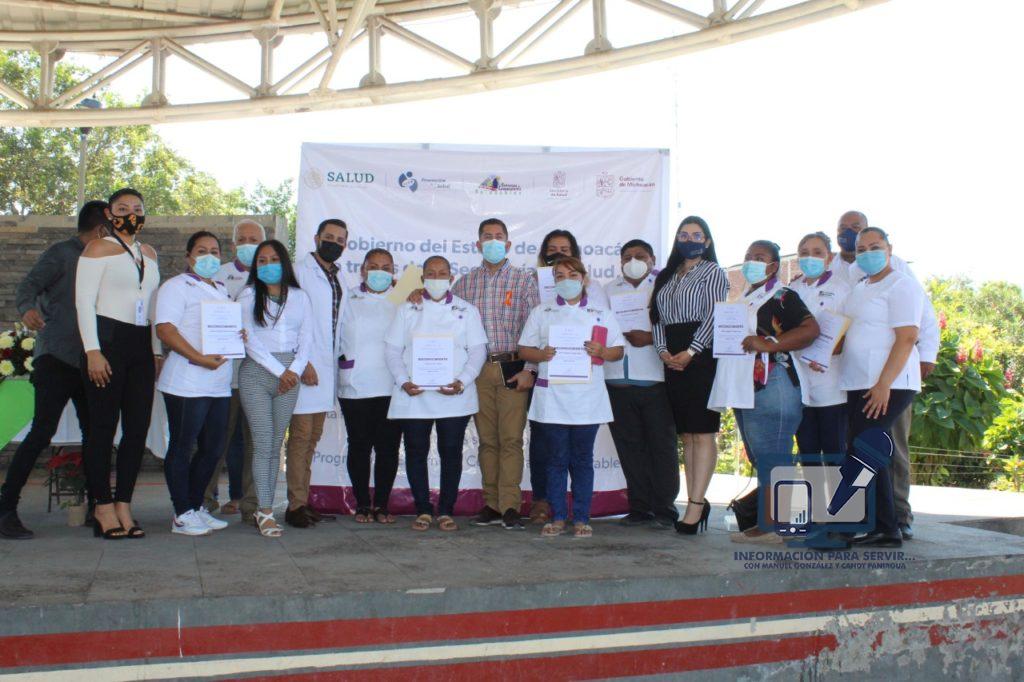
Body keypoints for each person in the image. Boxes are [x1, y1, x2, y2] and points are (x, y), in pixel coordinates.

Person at [0, 201, 108, 540]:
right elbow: (28, 286)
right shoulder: (61, 254)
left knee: (96, 435)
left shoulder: (108, 260)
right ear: (101, 229)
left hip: (91, 361)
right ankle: (6, 508)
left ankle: (98, 507)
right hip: (57, 359)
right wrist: (27, 309)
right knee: (42, 432)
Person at [832, 210, 938, 540]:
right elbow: (846, 329)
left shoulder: (902, 284)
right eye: (861, 250)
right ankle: (884, 527)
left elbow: (907, 337)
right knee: (864, 448)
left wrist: (883, 384)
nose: (867, 253)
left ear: (889, 249)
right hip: (858, 381)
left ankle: (858, 524)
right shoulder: (861, 286)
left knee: (863, 449)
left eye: (874, 247)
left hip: (889, 383)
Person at [708, 240, 819, 543]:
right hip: (745, 386)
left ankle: (777, 526)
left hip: (774, 383)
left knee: (774, 456)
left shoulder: (782, 295)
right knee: (764, 458)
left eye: (759, 257)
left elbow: (810, 330)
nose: (751, 262)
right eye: (748, 256)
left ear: (773, 266)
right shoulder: (744, 298)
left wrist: (770, 343)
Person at [75, 188, 161, 540]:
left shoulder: (149, 253)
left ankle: (124, 503)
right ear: (110, 215)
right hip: (107, 342)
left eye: (137, 208)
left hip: (140, 345)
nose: (131, 214)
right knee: (103, 427)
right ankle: (102, 505)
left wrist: (155, 351)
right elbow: (83, 303)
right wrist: (92, 351)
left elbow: (152, 306)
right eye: (122, 208)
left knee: (137, 428)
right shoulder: (97, 248)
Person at [519, 256, 625, 538]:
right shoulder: (542, 312)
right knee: (556, 460)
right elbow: (524, 350)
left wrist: (602, 352)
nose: (566, 281)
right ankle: (557, 517)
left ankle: (581, 518)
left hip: (587, 399)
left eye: (572, 275)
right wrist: (541, 354)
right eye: (559, 276)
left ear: (584, 278)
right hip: (552, 398)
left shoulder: (601, 312)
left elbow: (618, 351)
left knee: (582, 460)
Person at [385, 256, 487, 532]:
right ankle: (423, 509)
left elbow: (478, 351)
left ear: (451, 278)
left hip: (454, 395)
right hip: (414, 395)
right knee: (416, 451)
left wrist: (463, 381)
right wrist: (403, 381)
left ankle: (445, 510)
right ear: (422, 279)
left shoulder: (467, 310)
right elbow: (392, 350)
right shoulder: (407, 308)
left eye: (442, 273)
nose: (437, 278)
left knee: (451, 452)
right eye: (431, 273)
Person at [451, 218, 539, 531]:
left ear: (508, 244)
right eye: (487, 237)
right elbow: (448, 323)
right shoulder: (464, 284)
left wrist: (530, 370)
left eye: (498, 236)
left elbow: (535, 328)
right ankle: (491, 504)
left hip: (513, 367)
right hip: (477, 370)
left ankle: (510, 505)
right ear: (477, 244)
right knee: (487, 441)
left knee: (511, 439)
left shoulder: (524, 280)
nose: (492, 241)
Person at [154, 231, 236, 536]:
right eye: (202, 251)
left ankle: (196, 505)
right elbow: (165, 330)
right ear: (189, 256)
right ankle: (181, 513)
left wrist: (236, 335)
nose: (209, 257)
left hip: (218, 384)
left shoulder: (221, 289)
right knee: (182, 446)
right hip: (186, 382)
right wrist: (199, 358)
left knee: (213, 449)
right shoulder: (176, 287)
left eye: (214, 251)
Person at [650, 216, 728, 534]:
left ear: (707, 241)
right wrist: (662, 351)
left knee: (703, 431)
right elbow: (656, 317)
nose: (690, 239)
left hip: (702, 354)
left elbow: (714, 314)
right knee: (687, 435)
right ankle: (693, 501)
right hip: (672, 356)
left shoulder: (713, 272)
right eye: (684, 234)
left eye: (697, 235)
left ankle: (696, 503)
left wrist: (692, 350)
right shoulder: (667, 275)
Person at [238, 240, 313, 537]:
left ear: (284, 262)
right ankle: (266, 510)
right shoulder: (246, 295)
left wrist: (294, 371)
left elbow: (306, 338)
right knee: (263, 442)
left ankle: (264, 507)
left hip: (290, 376)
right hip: (257, 373)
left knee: (275, 445)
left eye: (274, 259)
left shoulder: (300, 297)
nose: (268, 265)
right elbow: (249, 340)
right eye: (262, 261)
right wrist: (281, 371)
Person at [603, 240, 678, 530]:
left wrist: (650, 338)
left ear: (652, 259)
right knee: (629, 448)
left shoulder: (666, 287)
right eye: (627, 257)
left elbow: (679, 328)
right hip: (616, 380)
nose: (633, 261)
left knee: (662, 447)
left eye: (640, 256)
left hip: (655, 379)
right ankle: (639, 507)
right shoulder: (608, 290)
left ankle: (665, 509)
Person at [284, 218, 347, 528]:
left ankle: (303, 501)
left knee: (312, 439)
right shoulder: (298, 272)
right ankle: (294, 505)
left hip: (326, 369)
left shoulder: (339, 277)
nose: (334, 243)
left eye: (340, 239)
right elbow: (288, 319)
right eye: (329, 237)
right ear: (316, 238)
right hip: (305, 367)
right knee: (300, 437)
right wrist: (303, 362)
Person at [204, 219, 265, 521]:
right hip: (223, 375)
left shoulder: (272, 278)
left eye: (254, 239)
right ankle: (204, 501)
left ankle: (252, 506)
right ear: (233, 244)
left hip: (259, 374)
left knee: (257, 444)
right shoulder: (217, 275)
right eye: (242, 239)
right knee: (216, 440)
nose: (248, 244)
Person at [338, 249, 402, 524]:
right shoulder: (347, 297)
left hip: (392, 385)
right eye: (373, 266)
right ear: (363, 270)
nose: (379, 272)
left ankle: (382, 505)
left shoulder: (404, 298)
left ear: (393, 272)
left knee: (388, 448)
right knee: (359, 446)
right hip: (355, 385)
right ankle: (363, 504)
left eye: (386, 267)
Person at [789, 232, 853, 456]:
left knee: (834, 450)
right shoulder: (791, 289)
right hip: (799, 382)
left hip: (830, 383)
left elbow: (850, 333)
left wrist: (825, 354)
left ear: (829, 257)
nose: (810, 258)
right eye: (804, 253)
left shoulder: (842, 288)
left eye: (817, 252)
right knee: (808, 451)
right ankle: (812, 483)